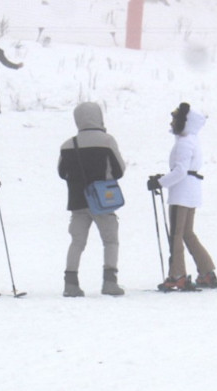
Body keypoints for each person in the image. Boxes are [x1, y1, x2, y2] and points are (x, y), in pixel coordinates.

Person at [146, 102, 217, 291]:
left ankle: (177, 275)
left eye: (175, 119)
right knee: (188, 234)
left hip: (181, 194)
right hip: (191, 191)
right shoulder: (192, 140)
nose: (172, 122)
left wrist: (160, 182)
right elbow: (185, 169)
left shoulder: (183, 143)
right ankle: (206, 271)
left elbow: (180, 171)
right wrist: (163, 178)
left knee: (176, 235)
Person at [57, 101, 126, 297]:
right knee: (110, 241)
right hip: (103, 200)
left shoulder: (68, 145)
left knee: (77, 242)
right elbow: (119, 170)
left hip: (77, 201)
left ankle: (70, 283)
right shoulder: (107, 141)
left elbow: (62, 173)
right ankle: (109, 282)